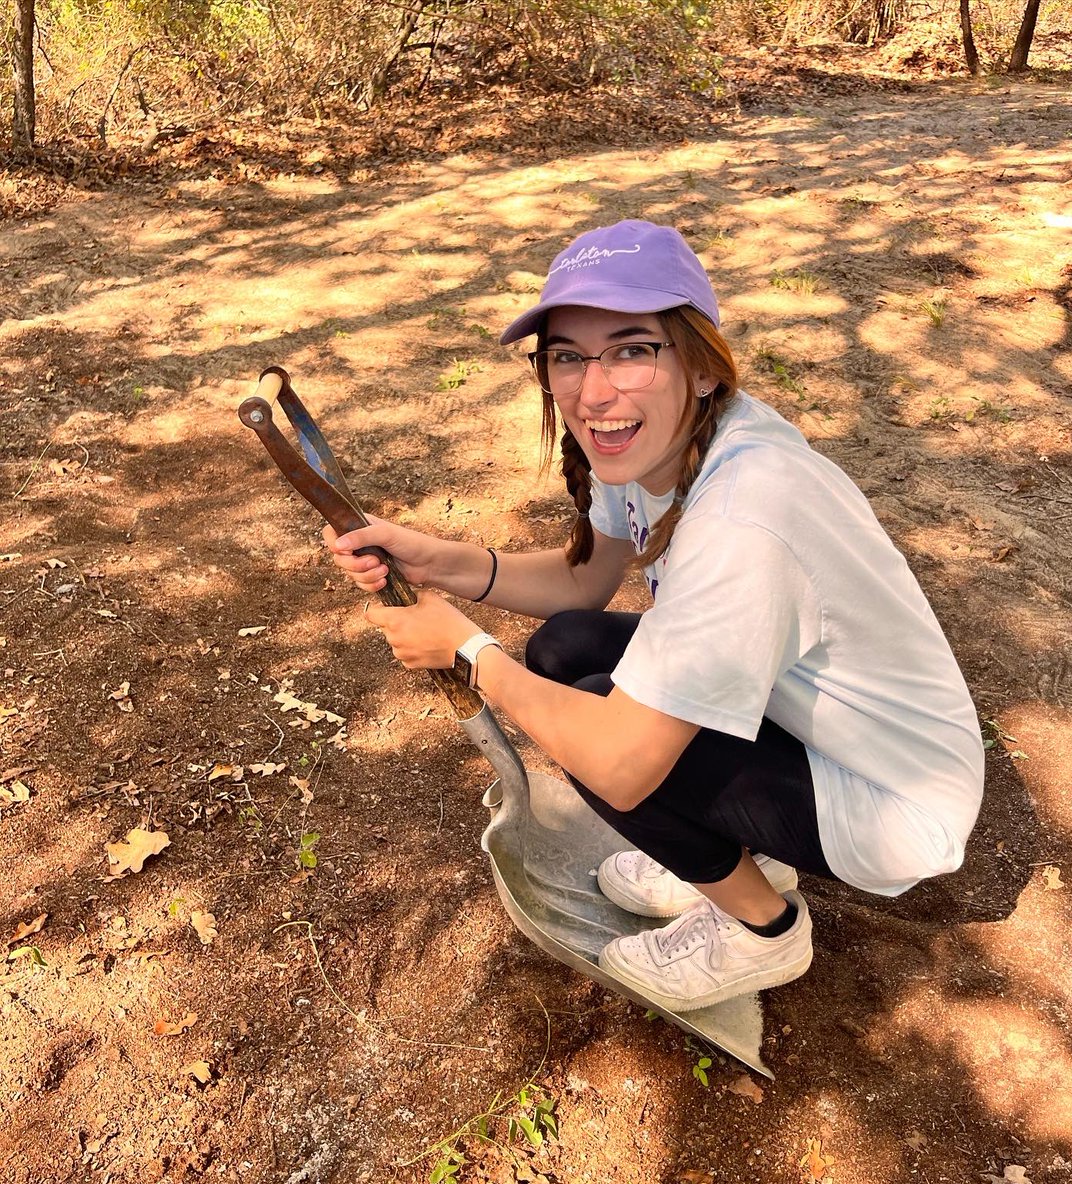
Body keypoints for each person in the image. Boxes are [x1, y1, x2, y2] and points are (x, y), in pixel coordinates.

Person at [325, 219, 984, 1014]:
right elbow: (584, 584)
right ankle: (748, 856)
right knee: (568, 650)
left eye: (632, 349)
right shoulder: (657, 445)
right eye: (568, 355)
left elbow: (623, 763)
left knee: (601, 732)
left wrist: (468, 652)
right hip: (807, 721)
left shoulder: (746, 515)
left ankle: (763, 930)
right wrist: (436, 560)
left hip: (889, 801)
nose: (592, 392)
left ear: (701, 365)